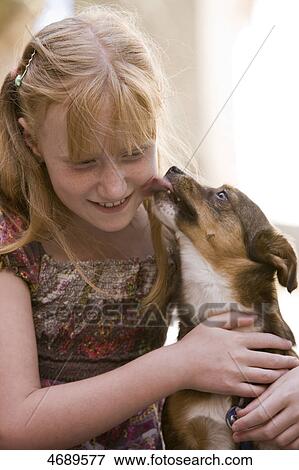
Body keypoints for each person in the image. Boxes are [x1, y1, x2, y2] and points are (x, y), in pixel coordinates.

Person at [0, 4, 298, 450]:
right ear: (30, 138)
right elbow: (15, 425)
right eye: (84, 162)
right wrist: (177, 365)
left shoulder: (172, 227)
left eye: (134, 151)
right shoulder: (14, 240)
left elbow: (250, 327)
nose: (114, 185)